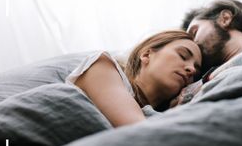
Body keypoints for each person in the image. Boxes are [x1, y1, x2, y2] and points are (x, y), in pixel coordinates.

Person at [66, 30, 202, 127]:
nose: (192, 69)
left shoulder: (167, 113)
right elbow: (139, 133)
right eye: (183, 55)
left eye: (196, 71)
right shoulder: (102, 65)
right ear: (147, 55)